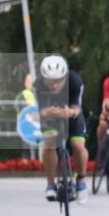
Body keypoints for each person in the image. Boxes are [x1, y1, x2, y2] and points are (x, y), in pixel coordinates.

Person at [37, 55, 89, 202]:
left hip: (72, 114)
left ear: (65, 76)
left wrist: (69, 112)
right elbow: (41, 111)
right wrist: (48, 112)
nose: (54, 85)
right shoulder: (39, 84)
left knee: (78, 145)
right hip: (50, 116)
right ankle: (51, 184)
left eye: (58, 81)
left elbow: (77, 108)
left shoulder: (75, 80)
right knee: (50, 142)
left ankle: (81, 180)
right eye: (50, 81)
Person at [16, 73, 38, 160]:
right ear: (25, 83)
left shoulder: (37, 94)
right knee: (27, 150)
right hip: (26, 127)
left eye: (32, 81)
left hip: (36, 127)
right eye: (29, 81)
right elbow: (22, 111)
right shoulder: (22, 95)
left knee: (36, 151)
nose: (31, 83)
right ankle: (25, 166)